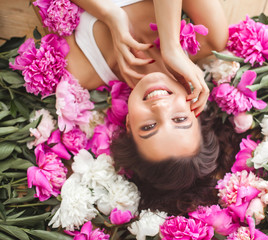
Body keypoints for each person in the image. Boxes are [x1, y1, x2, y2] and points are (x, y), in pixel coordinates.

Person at [64, 0, 233, 214]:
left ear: (128, 125)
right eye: (180, 120)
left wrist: (110, 15)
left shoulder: (82, 70)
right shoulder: (209, 37)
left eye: (149, 126)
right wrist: (171, 45)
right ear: (196, 108)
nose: (160, 107)